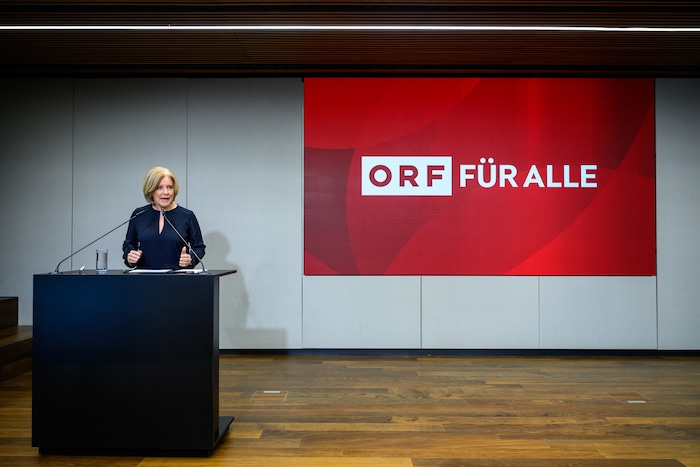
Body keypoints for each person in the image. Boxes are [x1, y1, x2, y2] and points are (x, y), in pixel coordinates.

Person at [122, 166, 205, 270]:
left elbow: (199, 247)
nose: (166, 192)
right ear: (150, 190)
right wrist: (130, 256)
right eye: (159, 188)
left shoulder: (187, 216)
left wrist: (190, 259)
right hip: (144, 277)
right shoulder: (139, 214)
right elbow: (129, 244)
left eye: (170, 187)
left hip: (176, 277)